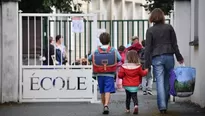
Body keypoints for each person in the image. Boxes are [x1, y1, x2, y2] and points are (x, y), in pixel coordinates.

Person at [144, 8, 184, 114]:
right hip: (169, 56)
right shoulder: (169, 28)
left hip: (156, 57)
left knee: (160, 82)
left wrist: (146, 64)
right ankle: (165, 104)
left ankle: (162, 107)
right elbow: (174, 44)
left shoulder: (150, 31)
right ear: (162, 17)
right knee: (167, 81)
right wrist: (179, 57)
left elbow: (147, 48)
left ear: (152, 18)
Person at [88, 32, 121, 114]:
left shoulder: (96, 50)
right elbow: (119, 58)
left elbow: (89, 58)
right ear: (109, 40)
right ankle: (106, 105)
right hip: (110, 73)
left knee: (102, 90)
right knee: (108, 90)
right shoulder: (113, 50)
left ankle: (104, 106)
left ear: (100, 40)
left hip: (99, 73)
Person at [118, 50, 148, 114]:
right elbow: (142, 74)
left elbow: (120, 75)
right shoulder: (138, 66)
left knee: (128, 97)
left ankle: (127, 109)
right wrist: (146, 70)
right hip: (135, 84)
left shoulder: (124, 66)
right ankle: (136, 106)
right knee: (134, 96)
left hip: (127, 84)